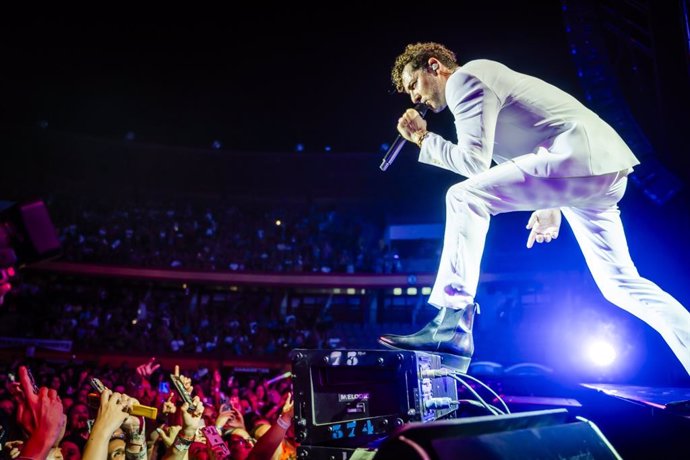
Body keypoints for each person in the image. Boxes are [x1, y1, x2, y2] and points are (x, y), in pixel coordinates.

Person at [378, 42, 690, 376]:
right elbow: (518, 152)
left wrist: (424, 140)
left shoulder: (464, 80)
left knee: (463, 197)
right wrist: (548, 204)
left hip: (578, 158)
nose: (414, 98)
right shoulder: (480, 81)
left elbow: (473, 163)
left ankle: (452, 322)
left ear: (434, 66)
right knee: (622, 285)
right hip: (597, 169)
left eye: (414, 85)